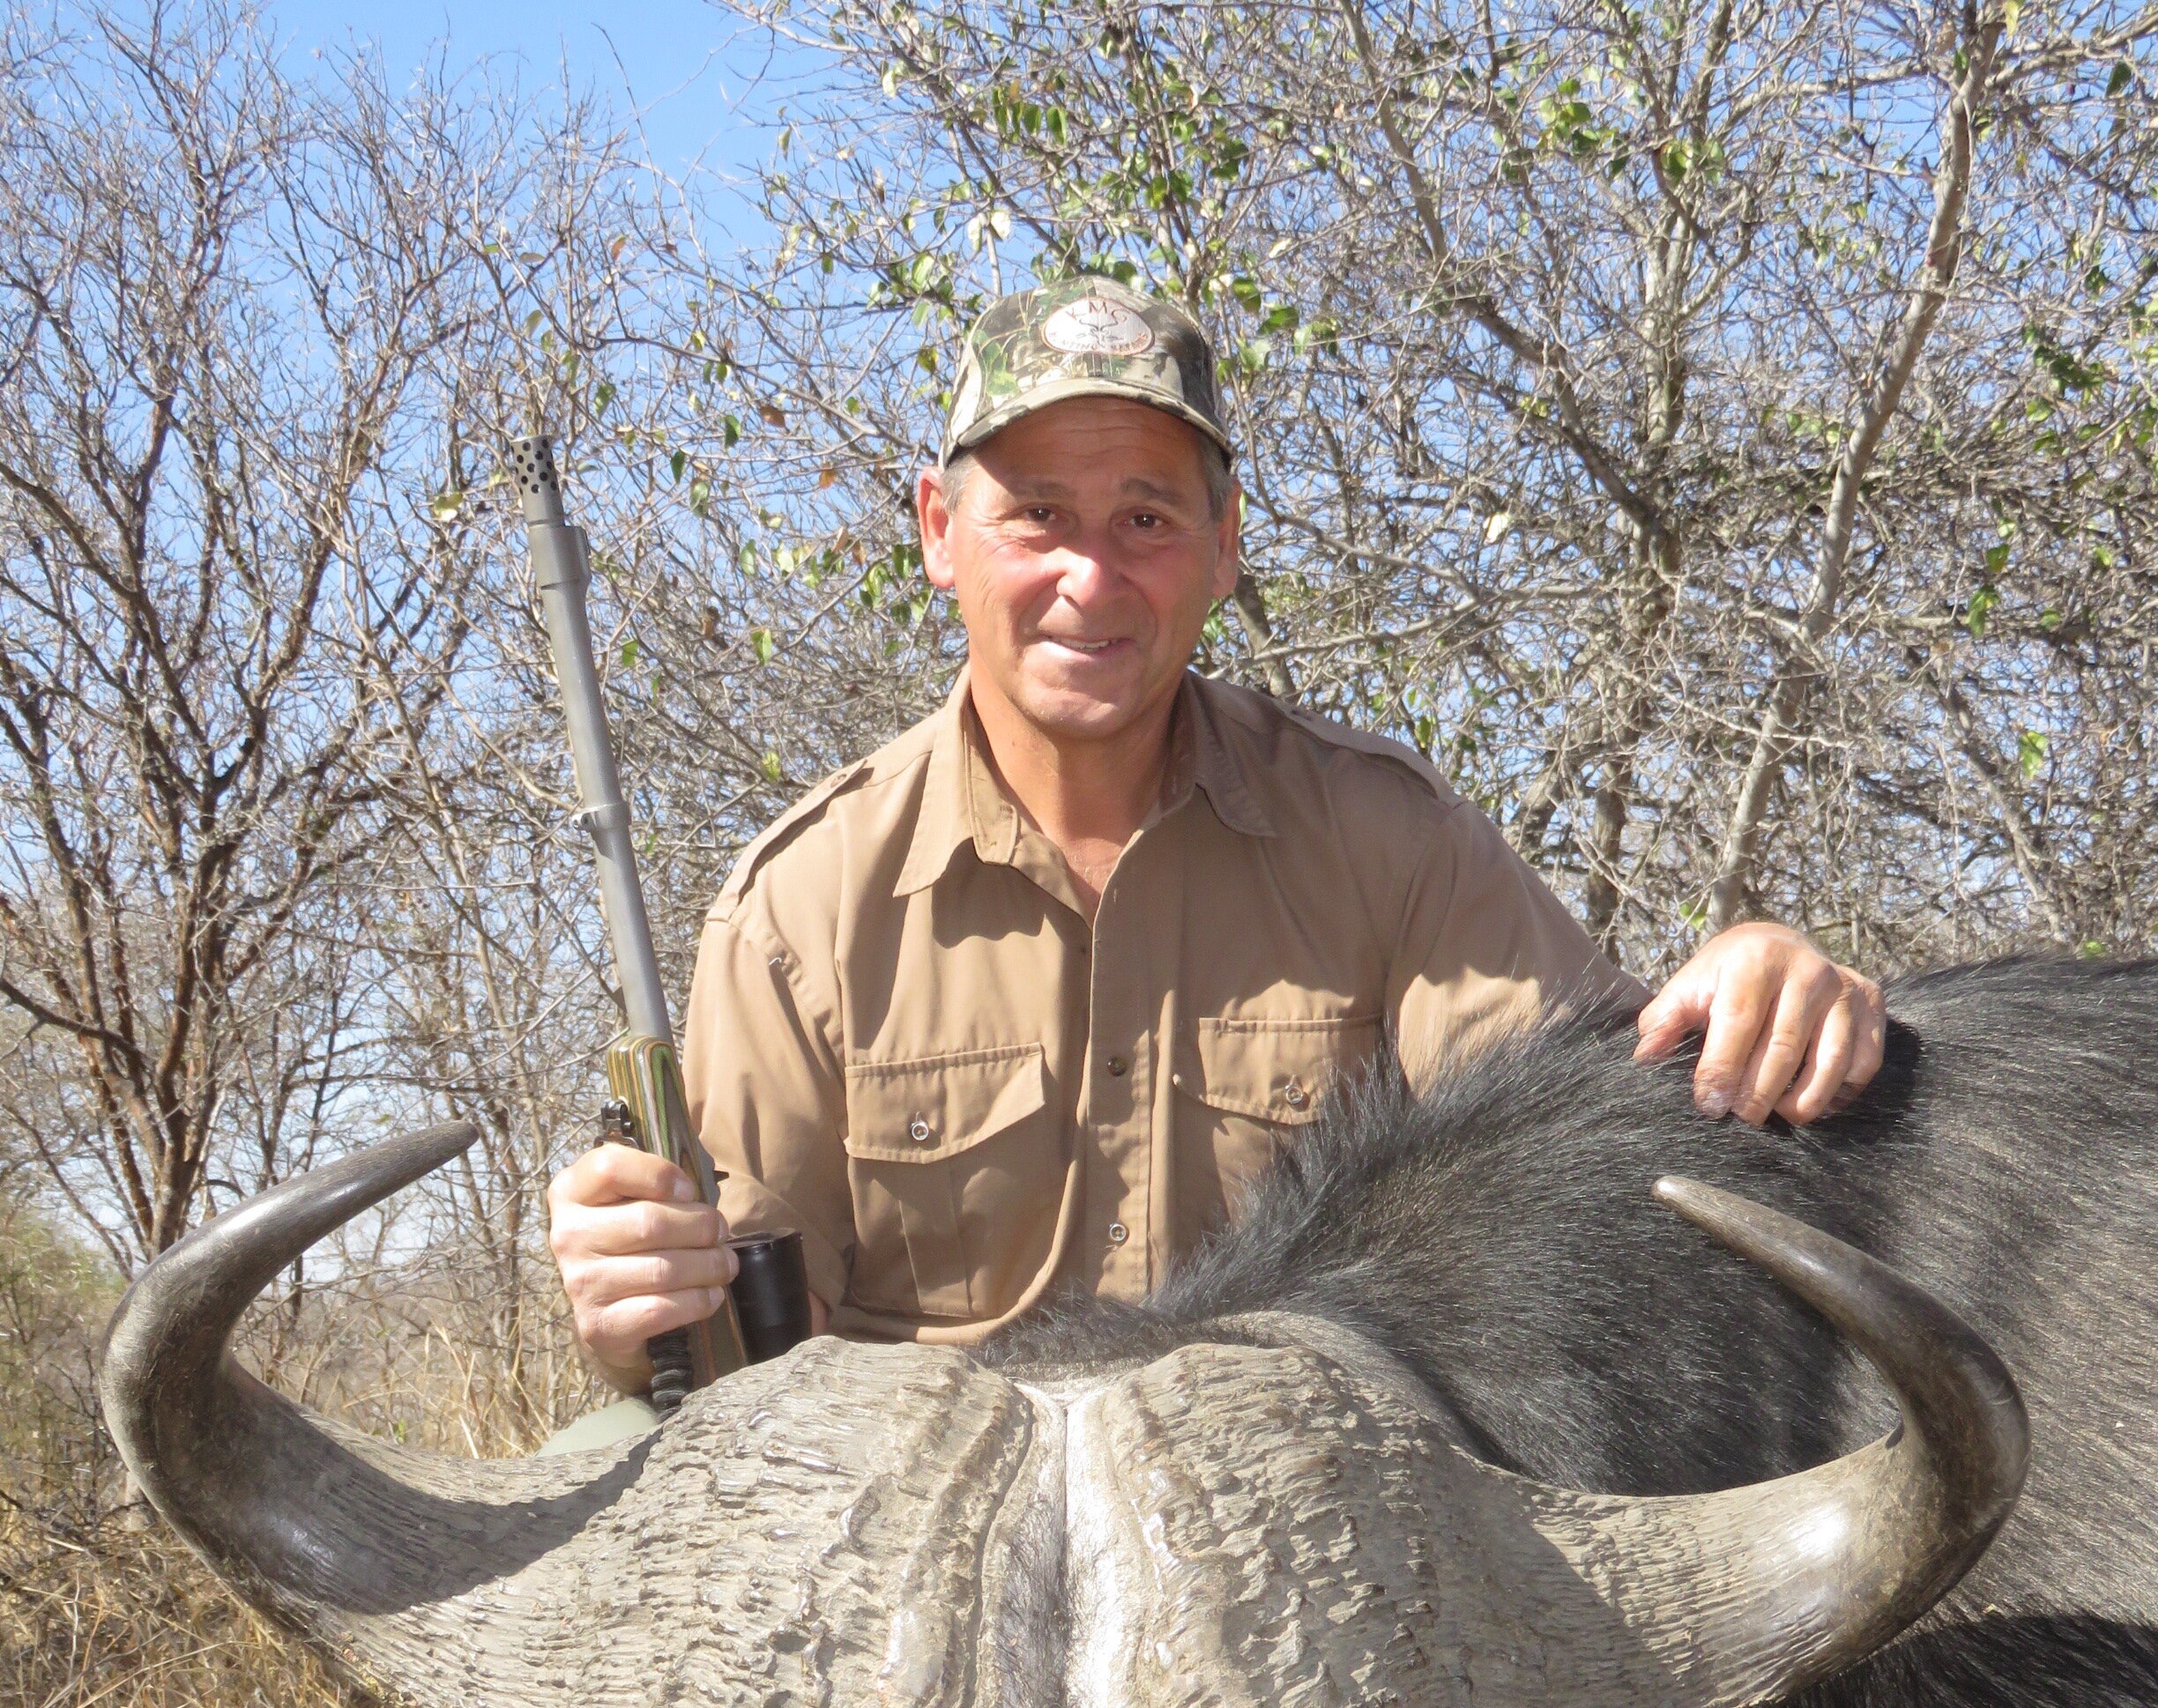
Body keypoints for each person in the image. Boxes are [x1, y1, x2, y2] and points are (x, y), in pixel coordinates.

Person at [550, 279, 1886, 1391]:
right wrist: (637, 1308)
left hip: (1298, 1517)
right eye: (1038, 517)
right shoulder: (802, 909)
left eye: (1145, 517)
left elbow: (1599, 1141)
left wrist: (1759, 978)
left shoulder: (1380, 836)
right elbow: (740, 1370)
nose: (1090, 576)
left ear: (1224, 546)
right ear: (940, 535)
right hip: (939, 1554)